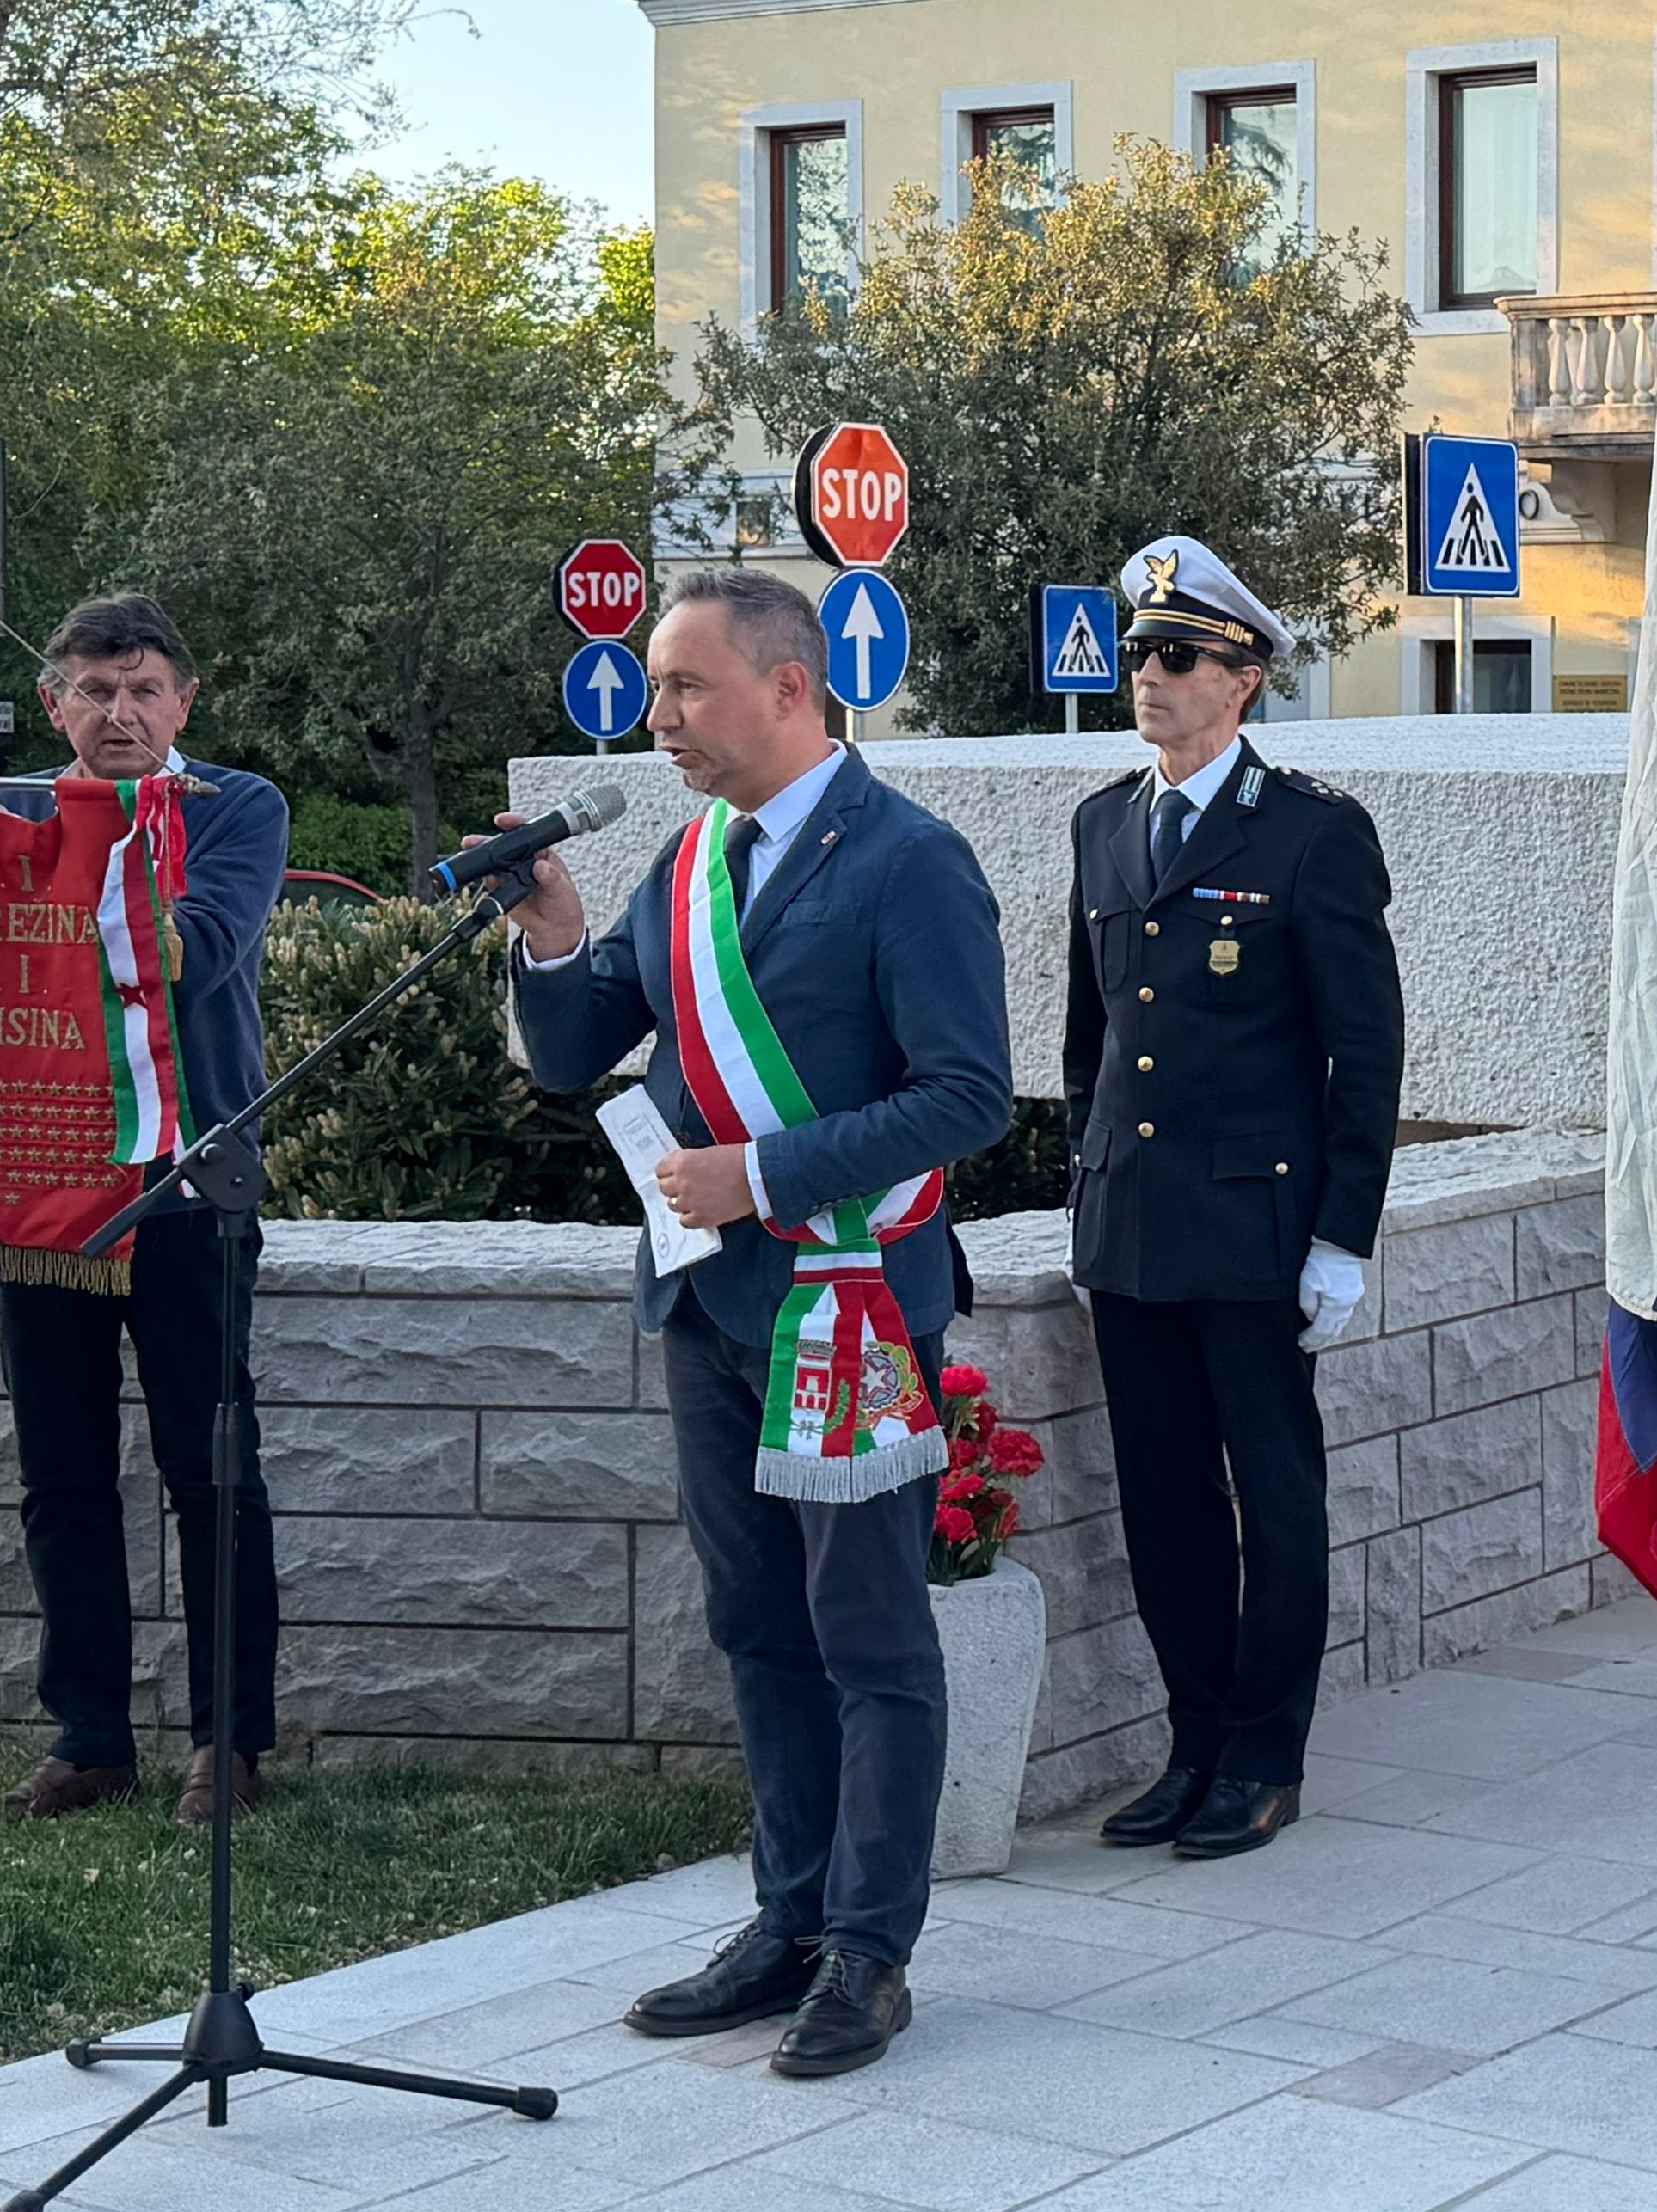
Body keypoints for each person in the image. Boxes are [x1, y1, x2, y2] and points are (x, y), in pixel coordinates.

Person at [504, 567, 1011, 2080]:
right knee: (756, 1624)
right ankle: (786, 1918)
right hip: (715, 1306)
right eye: (660, 688)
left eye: (686, 686)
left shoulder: (910, 861)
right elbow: (575, 1049)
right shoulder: (684, 861)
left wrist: (767, 1172)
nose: (657, 715)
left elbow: (968, 1094)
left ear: (789, 688)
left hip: (847, 1303)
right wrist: (546, 933)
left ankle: (871, 1948)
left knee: (867, 1633)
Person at [1064, 536, 1406, 1860]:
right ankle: (1193, 1740)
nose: (1150, 677)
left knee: (1273, 1493)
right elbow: (1090, 1040)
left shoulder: (1312, 832)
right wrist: (1083, 1188)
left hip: (1258, 1231)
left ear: (1245, 678)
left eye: (1180, 657)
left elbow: (1363, 1054)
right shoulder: (1105, 822)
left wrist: (1341, 1236)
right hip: (1133, 1225)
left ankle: (1266, 1754)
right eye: (1141, 655)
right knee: (1162, 1499)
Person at [0, 598, 292, 1830]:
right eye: (94, 691)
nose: (121, 714)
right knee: (59, 1475)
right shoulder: (1, 818)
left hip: (187, 1182)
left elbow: (193, 949)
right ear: (54, 701)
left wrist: (74, 872)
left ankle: (230, 1744)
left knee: (210, 1467)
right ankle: (90, 1735)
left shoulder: (237, 809)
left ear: (186, 700)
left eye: (144, 690)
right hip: (41, 1187)